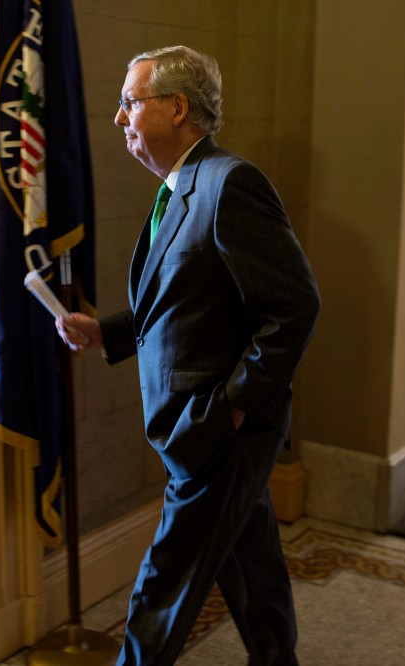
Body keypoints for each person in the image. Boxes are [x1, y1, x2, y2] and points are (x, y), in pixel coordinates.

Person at [55, 45, 320, 664]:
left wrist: (232, 408)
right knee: (253, 576)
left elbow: (294, 307)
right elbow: (187, 302)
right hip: (200, 429)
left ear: (176, 108)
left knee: (161, 592)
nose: (119, 117)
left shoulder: (230, 184)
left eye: (130, 102)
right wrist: (105, 334)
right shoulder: (179, 188)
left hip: (216, 431)